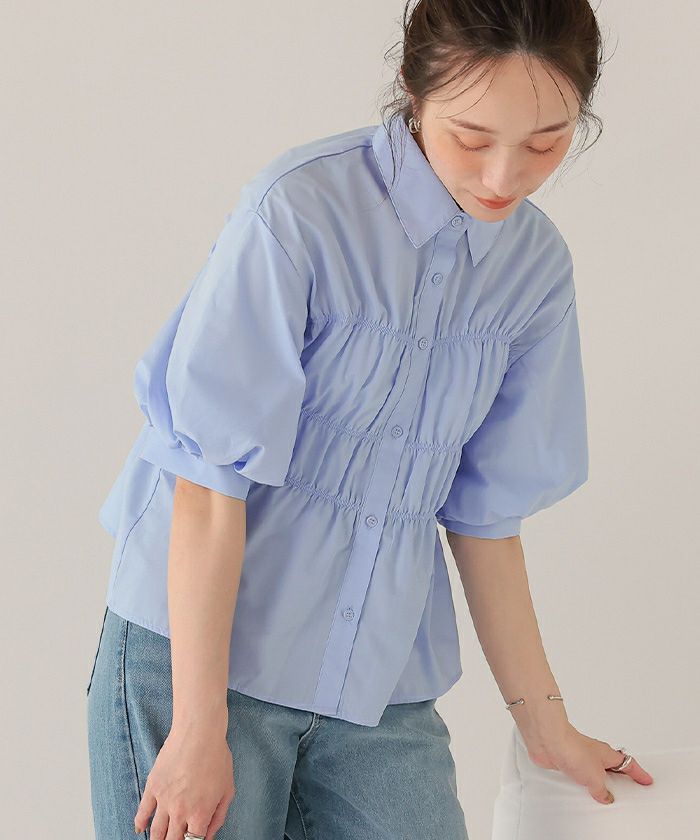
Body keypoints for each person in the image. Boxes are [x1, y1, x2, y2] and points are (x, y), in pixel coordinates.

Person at [86, 2, 654, 838]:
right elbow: (206, 481)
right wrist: (198, 728)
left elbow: (486, 515)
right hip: (199, 666)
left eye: (545, 143)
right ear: (413, 92)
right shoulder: (302, 210)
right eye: (471, 138)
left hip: (375, 686)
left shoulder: (534, 273)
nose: (504, 178)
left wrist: (545, 723)